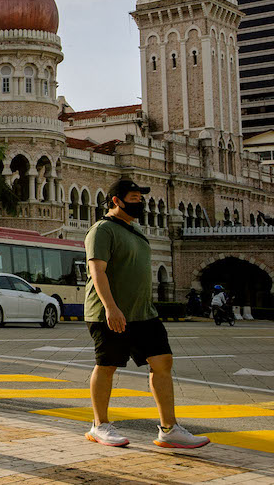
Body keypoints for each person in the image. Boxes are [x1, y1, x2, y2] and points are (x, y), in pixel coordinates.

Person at [83, 178, 209, 449]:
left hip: (143, 313)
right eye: (133, 198)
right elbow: (98, 271)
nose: (139, 202)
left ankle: (169, 428)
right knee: (107, 366)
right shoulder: (102, 230)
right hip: (110, 313)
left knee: (162, 362)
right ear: (116, 200)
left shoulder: (135, 230)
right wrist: (111, 307)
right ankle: (99, 425)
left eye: (140, 198)